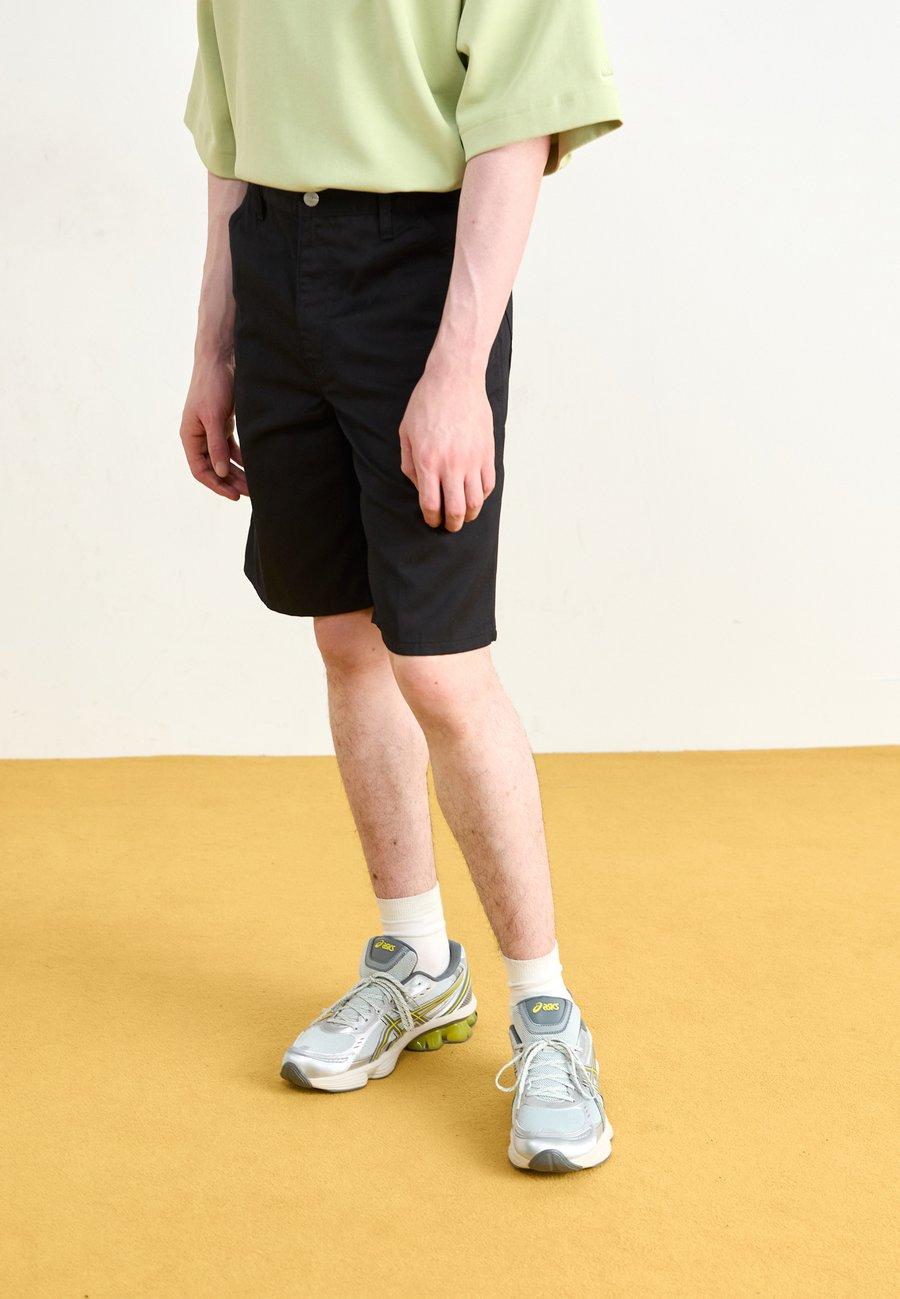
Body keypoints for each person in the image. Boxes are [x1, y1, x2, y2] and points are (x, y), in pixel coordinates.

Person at [181, 0, 622, 1174]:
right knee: (347, 639)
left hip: (423, 269)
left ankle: (547, 1014)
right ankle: (418, 962)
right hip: (275, 262)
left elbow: (517, 127)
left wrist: (457, 369)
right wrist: (214, 346)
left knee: (439, 663)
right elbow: (230, 136)